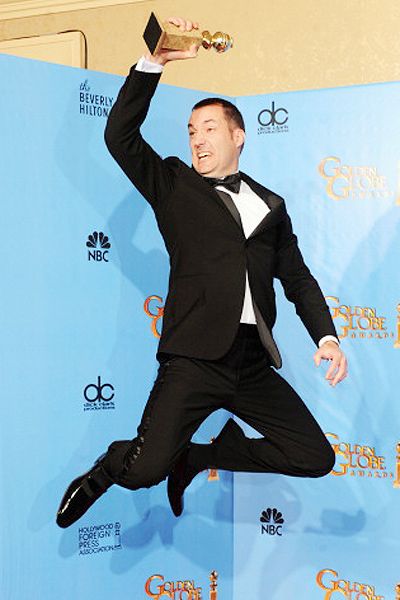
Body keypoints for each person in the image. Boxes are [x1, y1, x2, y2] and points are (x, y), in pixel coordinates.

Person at [56, 17, 348, 528]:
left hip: (252, 362)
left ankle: (200, 456)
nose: (198, 140)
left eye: (210, 129)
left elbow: (298, 279)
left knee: (314, 456)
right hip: (193, 359)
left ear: (239, 135)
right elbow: (119, 136)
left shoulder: (272, 206)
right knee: (144, 469)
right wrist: (156, 62)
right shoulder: (174, 185)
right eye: (192, 131)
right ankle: (107, 468)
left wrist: (326, 337)